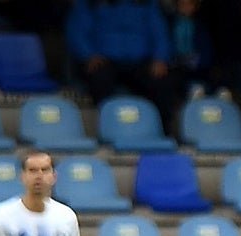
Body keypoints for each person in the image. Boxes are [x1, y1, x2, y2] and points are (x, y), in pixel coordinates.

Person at [64, 0, 180, 135]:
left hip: (140, 62)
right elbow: (76, 31)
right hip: (104, 61)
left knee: (163, 83)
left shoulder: (146, 4)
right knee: (100, 79)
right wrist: (88, 55)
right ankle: (107, 131)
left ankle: (163, 133)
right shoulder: (91, 4)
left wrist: (160, 58)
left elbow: (159, 33)